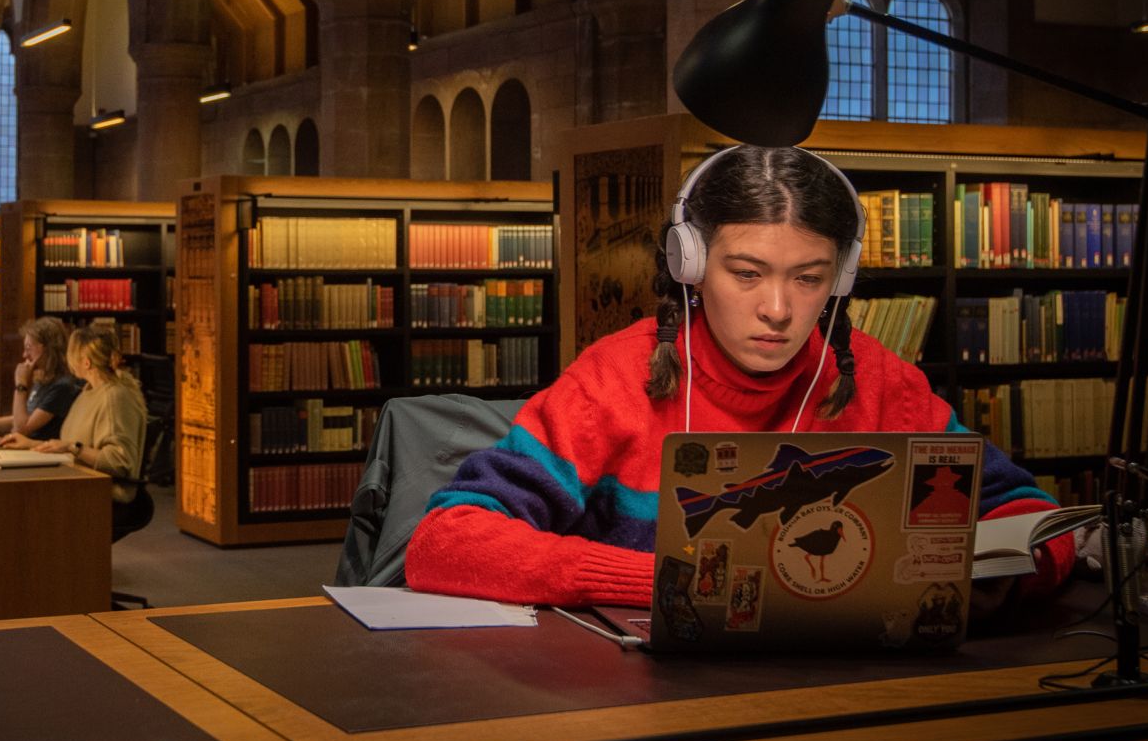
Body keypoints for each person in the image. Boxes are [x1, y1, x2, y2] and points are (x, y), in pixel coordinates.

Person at [405, 145, 1076, 616]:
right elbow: (446, 541)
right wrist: (680, 581)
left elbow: (1031, 517)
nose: (778, 310)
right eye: (747, 274)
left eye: (809, 278)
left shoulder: (878, 380)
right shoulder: (611, 381)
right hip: (648, 705)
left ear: (838, 281)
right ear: (690, 264)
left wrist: (983, 583)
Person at [1, 325, 147, 533]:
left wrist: (72, 447)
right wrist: (32, 444)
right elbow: (71, 446)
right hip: (80, 480)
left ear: (86, 362)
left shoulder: (114, 397)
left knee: (21, 500)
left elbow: (118, 461)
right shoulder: (89, 392)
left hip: (104, 490)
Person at [0, 316, 82, 440]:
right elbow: (19, 418)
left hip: (39, 456)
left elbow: (21, 429)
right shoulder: (44, 379)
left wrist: (21, 386)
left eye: (29, 348)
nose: (24, 355)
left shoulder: (62, 386)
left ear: (47, 349)